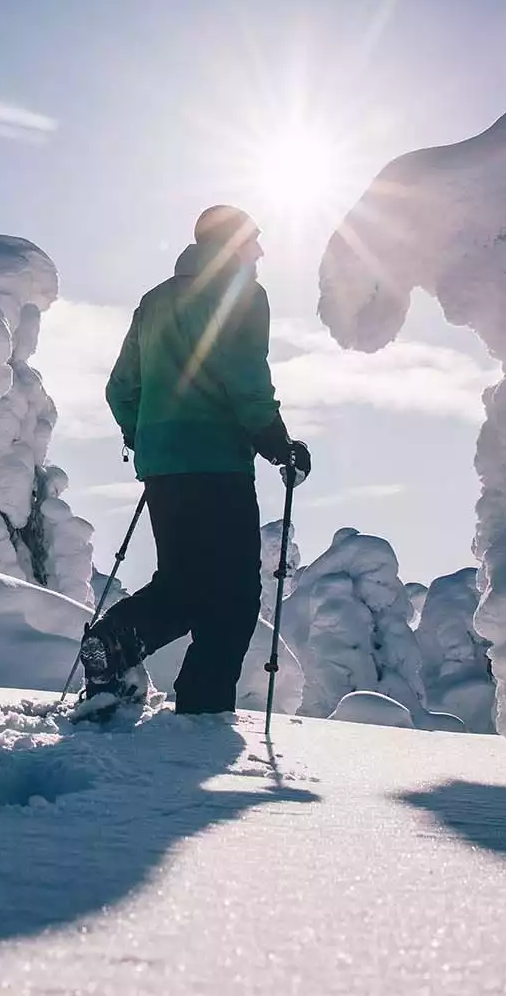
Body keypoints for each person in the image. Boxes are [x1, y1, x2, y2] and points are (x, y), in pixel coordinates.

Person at [79, 205, 309, 716]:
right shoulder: (241, 293)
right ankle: (201, 710)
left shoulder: (154, 302)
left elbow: (121, 388)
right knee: (234, 591)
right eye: (254, 241)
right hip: (217, 463)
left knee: (184, 579)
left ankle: (115, 644)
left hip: (165, 467)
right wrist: (276, 440)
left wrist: (148, 437)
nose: (261, 252)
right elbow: (244, 373)